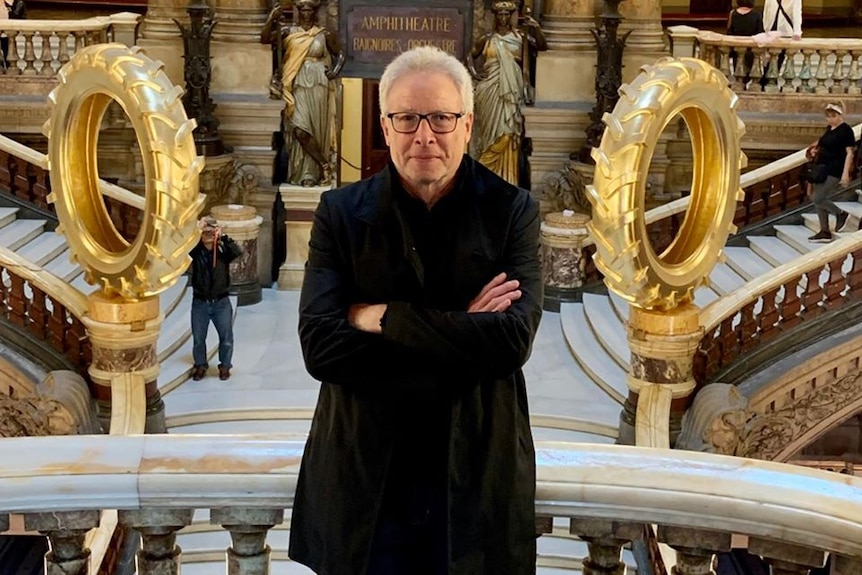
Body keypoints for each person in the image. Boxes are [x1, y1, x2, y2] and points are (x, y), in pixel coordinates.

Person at [289, 46, 543, 575]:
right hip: (365, 477)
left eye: (441, 118)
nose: (424, 135)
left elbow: (510, 342)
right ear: (385, 126)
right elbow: (320, 347)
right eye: (406, 119)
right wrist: (462, 330)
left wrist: (379, 318)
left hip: (473, 472)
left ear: (468, 124)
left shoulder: (513, 212)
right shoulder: (339, 213)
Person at [262, 0, 344, 187]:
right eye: (303, 10)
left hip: (319, 84)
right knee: (300, 129)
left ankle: (312, 175)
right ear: (298, 12)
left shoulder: (323, 34)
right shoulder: (289, 32)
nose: (306, 14)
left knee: (317, 128)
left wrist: (335, 71)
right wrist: (270, 19)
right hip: (297, 83)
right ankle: (321, 164)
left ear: (314, 12)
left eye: (309, 11)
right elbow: (266, 38)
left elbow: (340, 54)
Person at [467, 0, 546, 187]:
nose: (503, 18)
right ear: (495, 17)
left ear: (511, 16)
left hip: (512, 92)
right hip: (490, 91)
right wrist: (475, 73)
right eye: (499, 15)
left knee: (508, 133)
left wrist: (536, 29)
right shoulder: (487, 38)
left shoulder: (521, 38)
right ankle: (483, 178)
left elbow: (542, 47)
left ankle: (508, 182)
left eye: (506, 15)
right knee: (489, 135)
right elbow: (471, 55)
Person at [189, 216, 242, 380]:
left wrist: (223, 236)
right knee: (198, 338)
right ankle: (200, 365)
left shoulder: (222, 250)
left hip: (221, 302)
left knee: (226, 338)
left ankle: (225, 366)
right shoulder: (196, 251)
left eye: (211, 232)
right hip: (200, 302)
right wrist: (196, 232)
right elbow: (184, 250)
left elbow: (237, 252)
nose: (209, 235)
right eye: (206, 232)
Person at [807, 102, 855, 243]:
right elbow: (824, 144)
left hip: (835, 168)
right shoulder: (830, 128)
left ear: (840, 115)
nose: (830, 119)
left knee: (818, 197)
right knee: (816, 199)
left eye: (833, 116)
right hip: (822, 167)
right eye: (828, 116)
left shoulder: (846, 130)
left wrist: (845, 173)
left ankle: (840, 214)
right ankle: (824, 230)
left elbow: (849, 153)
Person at [726, 0, 763, 85]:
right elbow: (760, 33)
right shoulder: (756, 15)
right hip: (751, 50)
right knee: (749, 71)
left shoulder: (733, 14)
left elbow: (729, 32)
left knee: (738, 70)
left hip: (737, 48)